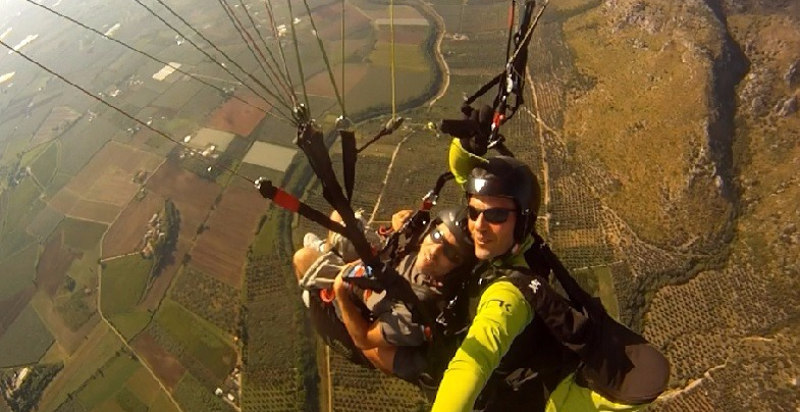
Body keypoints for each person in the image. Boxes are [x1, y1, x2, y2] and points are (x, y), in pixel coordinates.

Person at [431, 156, 670, 411]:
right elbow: (464, 172)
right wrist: (467, 147)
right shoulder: (526, 245)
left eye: (496, 215)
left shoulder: (508, 295)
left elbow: (473, 363)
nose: (479, 226)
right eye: (473, 211)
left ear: (522, 220)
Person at [292, 207, 475, 383]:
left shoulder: (416, 311)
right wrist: (398, 228)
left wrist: (340, 292)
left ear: (458, 269)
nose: (434, 251)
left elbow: (363, 339)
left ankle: (313, 289)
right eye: (437, 236)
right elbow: (398, 250)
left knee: (302, 258)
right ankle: (328, 252)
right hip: (372, 275)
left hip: (358, 319)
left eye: (451, 253)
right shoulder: (425, 256)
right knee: (339, 215)